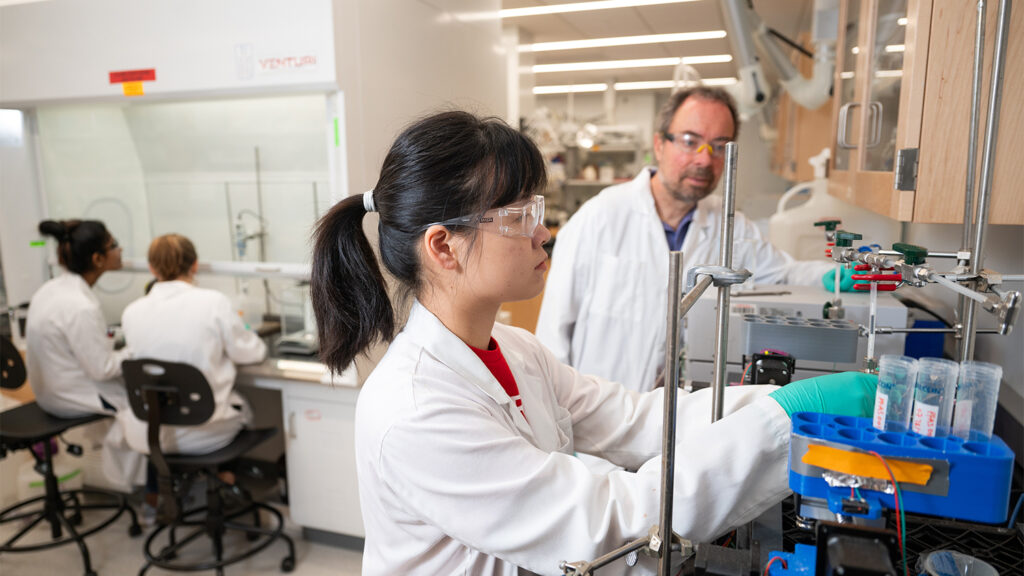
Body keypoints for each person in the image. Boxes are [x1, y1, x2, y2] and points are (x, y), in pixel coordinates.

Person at [310, 110, 877, 575]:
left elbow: (638, 419)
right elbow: (605, 525)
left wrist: (791, 406)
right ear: (444, 247)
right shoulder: (414, 409)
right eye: (519, 214)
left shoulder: (512, 348)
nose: (543, 230)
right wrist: (779, 427)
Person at [535, 87, 847, 393]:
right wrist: (558, 421)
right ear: (659, 145)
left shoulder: (732, 227)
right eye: (690, 141)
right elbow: (553, 332)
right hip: (597, 416)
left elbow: (784, 272)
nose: (704, 159)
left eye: (720, 146)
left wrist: (833, 276)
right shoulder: (599, 217)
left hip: (681, 411)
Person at [119, 234, 267, 457]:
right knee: (247, 409)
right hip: (205, 435)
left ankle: (214, 479)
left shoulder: (131, 311)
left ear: (151, 268)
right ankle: (225, 475)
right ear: (195, 265)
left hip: (150, 434)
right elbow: (251, 353)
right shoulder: (213, 303)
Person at [26, 219, 144, 489]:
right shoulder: (81, 307)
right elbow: (101, 369)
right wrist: (136, 350)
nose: (120, 249)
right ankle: (144, 492)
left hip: (49, 393)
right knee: (145, 402)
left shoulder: (50, 290)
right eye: (113, 245)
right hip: (69, 396)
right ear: (98, 259)